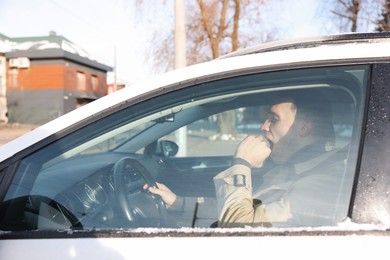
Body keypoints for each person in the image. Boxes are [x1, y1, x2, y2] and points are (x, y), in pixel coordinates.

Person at [147, 93, 348, 228]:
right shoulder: (291, 170)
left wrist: (242, 164)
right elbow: (244, 210)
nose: (263, 126)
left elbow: (239, 230)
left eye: (274, 119)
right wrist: (177, 203)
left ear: (305, 128)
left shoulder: (322, 183)